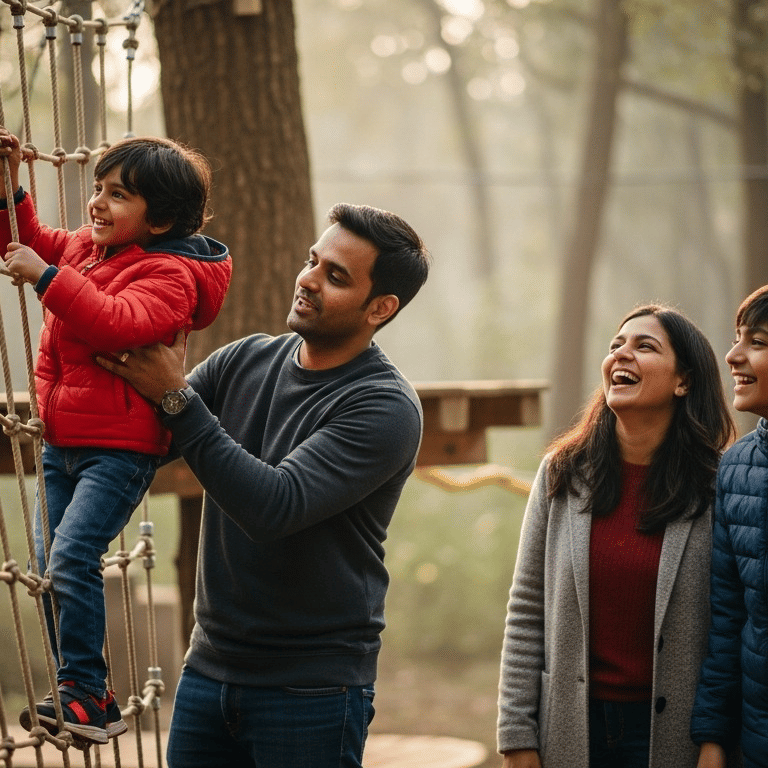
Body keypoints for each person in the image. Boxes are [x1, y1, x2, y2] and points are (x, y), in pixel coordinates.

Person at [95, 202, 431, 768]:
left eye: (336, 275)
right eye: (313, 261)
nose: (308, 279)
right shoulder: (244, 361)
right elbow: (145, 438)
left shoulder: (385, 407)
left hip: (312, 689)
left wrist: (176, 397)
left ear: (382, 307)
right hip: (207, 671)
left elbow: (274, 505)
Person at [0, 128, 232, 744]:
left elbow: (117, 323)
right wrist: (9, 189)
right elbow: (28, 242)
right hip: (61, 440)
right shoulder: (89, 251)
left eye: (118, 195)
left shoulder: (172, 273)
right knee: (52, 562)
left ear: (159, 219)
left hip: (118, 449)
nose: (97, 203)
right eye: (98, 189)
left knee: (74, 553)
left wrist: (47, 278)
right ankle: (88, 696)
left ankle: (82, 688)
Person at [496, 304, 736, 768]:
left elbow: (730, 626)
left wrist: (717, 738)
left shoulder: (718, 486)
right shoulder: (562, 473)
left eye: (644, 347)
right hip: (569, 729)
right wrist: (516, 735)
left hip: (675, 736)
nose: (621, 355)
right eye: (615, 346)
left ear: (683, 381)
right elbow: (527, 609)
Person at [690, 285, 768, 768]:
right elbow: (729, 621)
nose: (733, 356)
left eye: (757, 342)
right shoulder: (737, 467)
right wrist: (714, 741)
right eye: (737, 338)